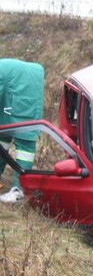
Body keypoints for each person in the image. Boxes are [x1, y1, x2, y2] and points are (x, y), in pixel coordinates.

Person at [0, 59, 45, 203]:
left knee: (24, 139)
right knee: (3, 134)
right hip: (13, 85)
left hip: (24, 89)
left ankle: (19, 190)